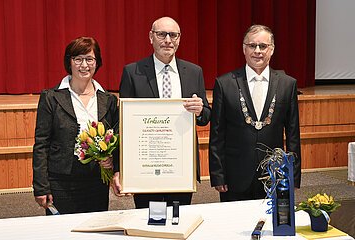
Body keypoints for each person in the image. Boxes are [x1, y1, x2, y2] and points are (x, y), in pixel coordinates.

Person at [119, 16, 211, 208]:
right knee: (148, 220)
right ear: (151, 37)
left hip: (181, 164)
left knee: (179, 220)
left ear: (179, 39)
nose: (168, 40)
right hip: (145, 163)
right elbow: (124, 123)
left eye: (173, 35)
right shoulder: (132, 72)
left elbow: (205, 117)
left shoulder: (194, 72)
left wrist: (200, 110)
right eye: (162, 34)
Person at [209, 25, 301, 202]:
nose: (257, 51)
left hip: (274, 176)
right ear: (244, 49)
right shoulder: (224, 84)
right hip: (235, 177)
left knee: (270, 227)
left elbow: (293, 136)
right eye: (252, 46)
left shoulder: (287, 84)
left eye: (263, 46)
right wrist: (218, 175)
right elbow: (217, 135)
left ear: (272, 50)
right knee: (233, 226)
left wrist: (293, 176)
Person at [32, 36, 120, 214]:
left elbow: (116, 137)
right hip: (61, 181)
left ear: (97, 62)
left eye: (89, 59)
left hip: (97, 181)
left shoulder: (108, 100)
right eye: (78, 59)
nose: (84, 65)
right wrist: (41, 187)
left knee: (95, 230)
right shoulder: (51, 98)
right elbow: (41, 144)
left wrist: (112, 162)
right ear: (69, 62)